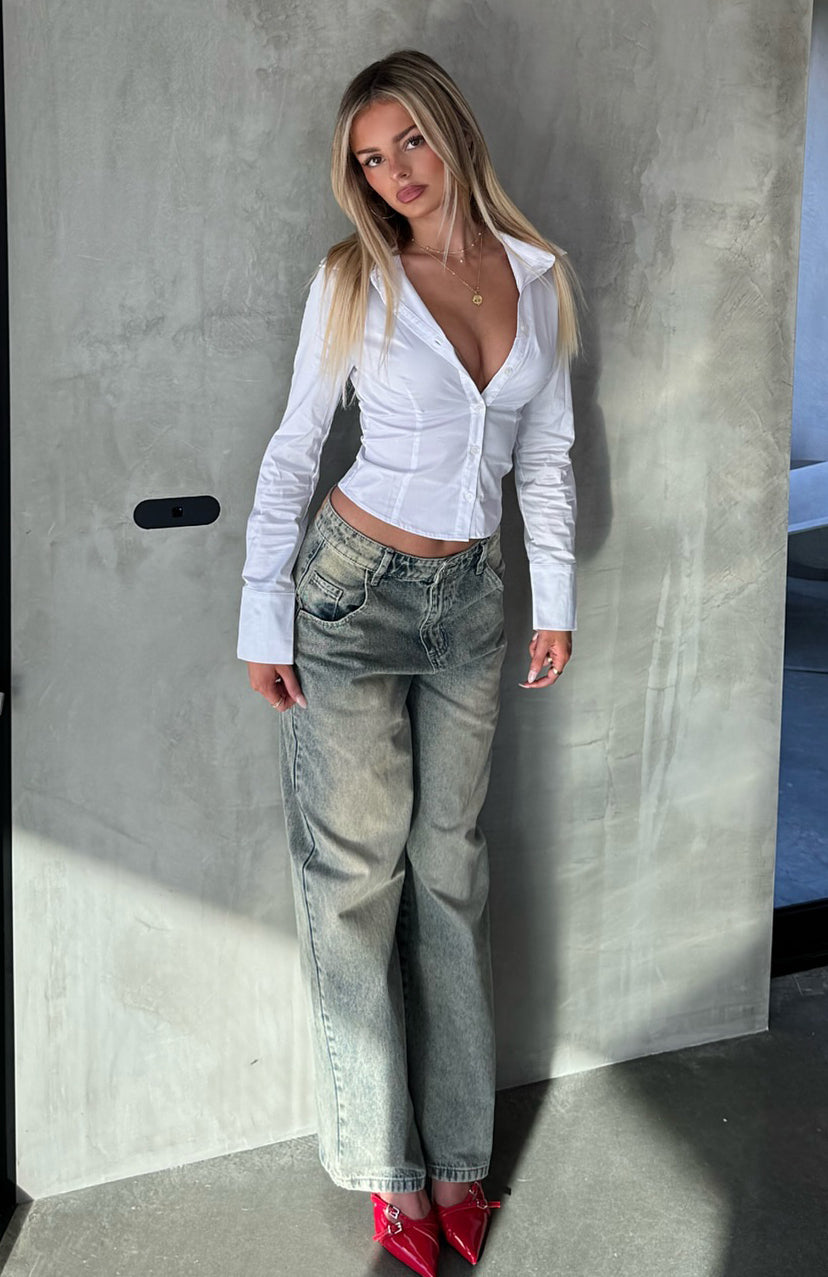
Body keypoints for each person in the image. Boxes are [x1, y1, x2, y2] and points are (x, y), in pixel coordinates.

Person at [237, 48, 580, 1277]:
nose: (396, 174)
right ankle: (387, 1166)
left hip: (475, 598)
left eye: (410, 143)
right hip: (351, 592)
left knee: (451, 870)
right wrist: (261, 612)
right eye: (372, 161)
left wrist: (554, 602)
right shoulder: (355, 279)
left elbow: (545, 453)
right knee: (355, 877)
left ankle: (457, 1157)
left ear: (452, 133)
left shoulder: (534, 276)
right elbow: (295, 447)